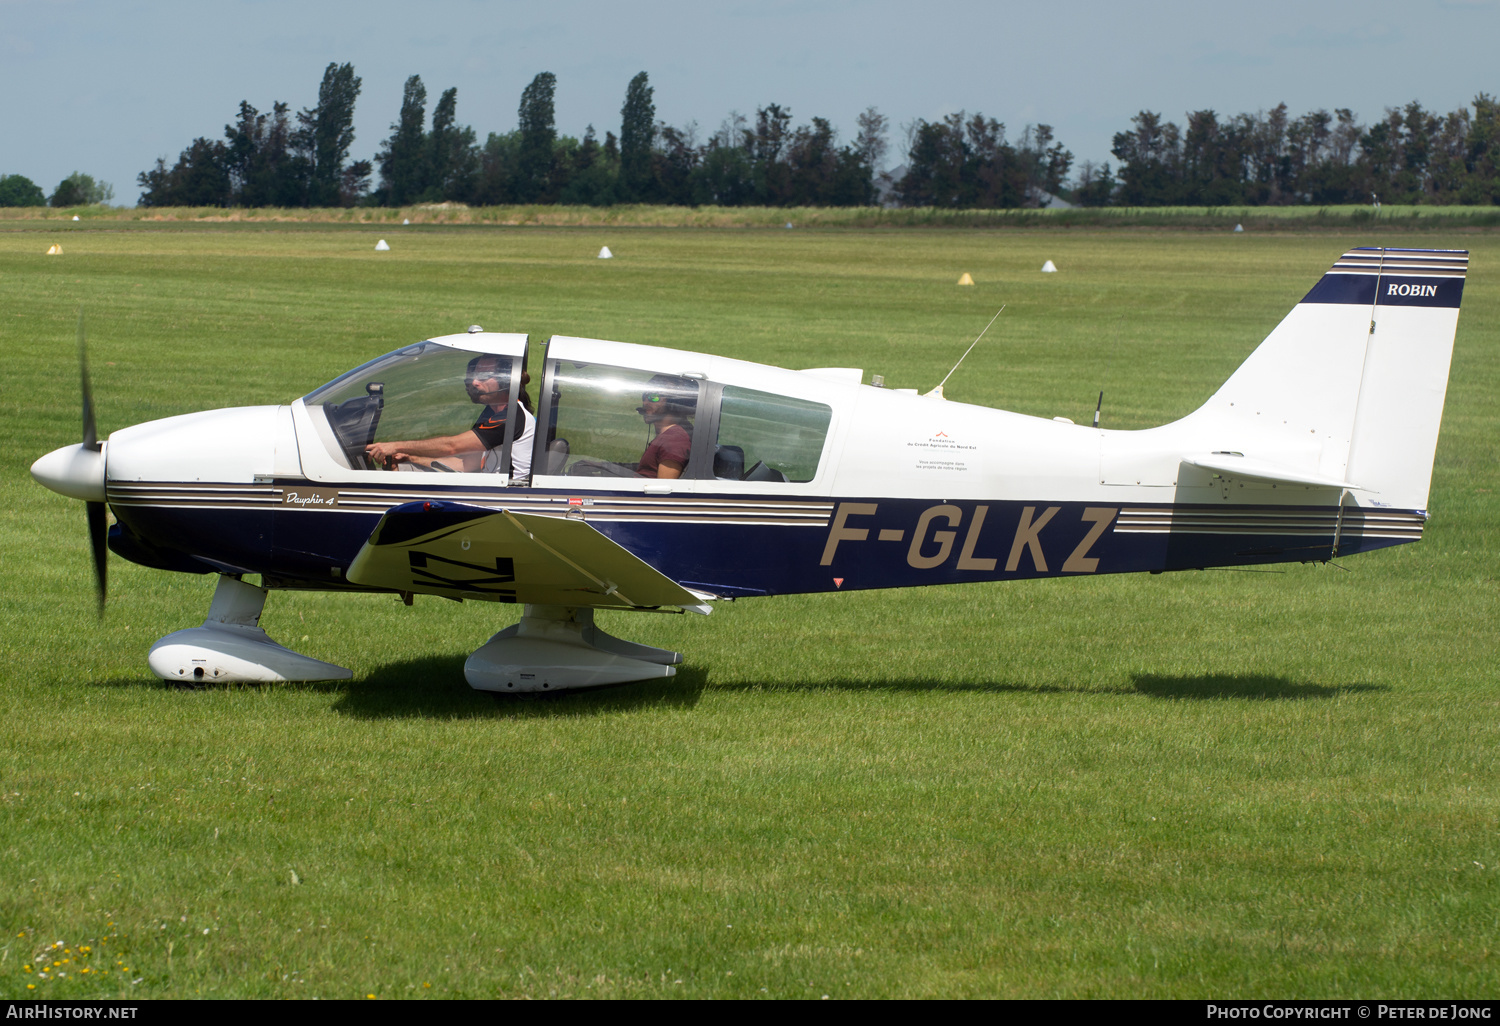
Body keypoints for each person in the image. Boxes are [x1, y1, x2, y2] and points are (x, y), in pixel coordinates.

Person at [365, 354, 535, 475]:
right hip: (487, 487)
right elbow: (466, 465)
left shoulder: (509, 417)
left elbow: (451, 446)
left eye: (484, 377)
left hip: (500, 497)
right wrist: (412, 458)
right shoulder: (493, 411)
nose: (475, 382)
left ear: (506, 381)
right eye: (475, 376)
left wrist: (396, 446)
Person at [635, 374, 696, 479]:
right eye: (644, 396)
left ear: (672, 401)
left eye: (653, 397)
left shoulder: (674, 440)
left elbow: (664, 489)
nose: (645, 402)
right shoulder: (668, 434)